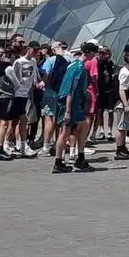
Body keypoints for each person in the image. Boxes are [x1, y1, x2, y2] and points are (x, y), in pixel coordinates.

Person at [54, 42, 96, 173]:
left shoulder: (74, 65)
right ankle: (59, 162)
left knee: (82, 126)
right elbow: (70, 89)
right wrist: (67, 110)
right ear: (89, 52)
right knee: (65, 132)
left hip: (74, 104)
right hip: (70, 104)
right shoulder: (78, 67)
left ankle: (78, 157)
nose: (95, 56)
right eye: (94, 53)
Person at [113, 50, 129, 160]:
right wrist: (126, 104)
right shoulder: (125, 73)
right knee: (120, 127)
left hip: (126, 103)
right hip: (122, 104)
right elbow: (121, 90)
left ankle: (122, 147)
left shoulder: (128, 71)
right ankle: (119, 149)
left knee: (124, 127)